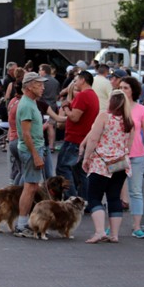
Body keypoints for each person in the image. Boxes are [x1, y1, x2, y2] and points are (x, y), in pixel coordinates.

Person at [81, 89, 135, 243]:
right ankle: (114, 234)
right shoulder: (129, 121)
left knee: (94, 196)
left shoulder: (104, 117)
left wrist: (86, 158)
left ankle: (99, 232)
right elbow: (129, 146)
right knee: (114, 196)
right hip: (120, 161)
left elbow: (93, 139)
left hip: (101, 161)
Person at [119, 76, 144, 238]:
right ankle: (110, 226)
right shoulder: (115, 108)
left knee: (136, 191)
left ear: (133, 90)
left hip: (137, 155)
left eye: (126, 87)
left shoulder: (141, 110)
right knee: (113, 191)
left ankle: (137, 226)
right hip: (118, 155)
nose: (123, 90)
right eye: (120, 87)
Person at [13, 72, 48, 238]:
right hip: (30, 149)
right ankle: (21, 224)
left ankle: (22, 222)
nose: (43, 87)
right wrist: (36, 155)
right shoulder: (27, 104)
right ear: (29, 86)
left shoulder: (31, 102)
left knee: (32, 186)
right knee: (29, 187)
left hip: (33, 147)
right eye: (39, 84)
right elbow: (26, 134)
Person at [56, 71, 100, 199]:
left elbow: (75, 117)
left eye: (76, 80)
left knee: (63, 168)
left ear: (83, 80)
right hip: (83, 138)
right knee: (81, 171)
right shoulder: (93, 96)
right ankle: (85, 200)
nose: (74, 83)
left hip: (74, 138)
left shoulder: (83, 96)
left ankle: (72, 199)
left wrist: (65, 107)